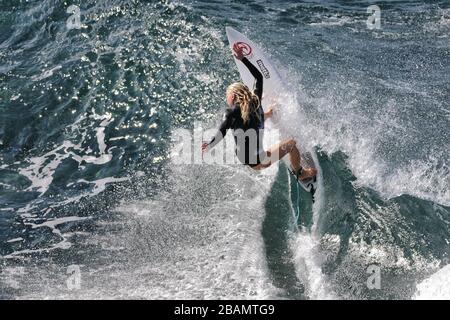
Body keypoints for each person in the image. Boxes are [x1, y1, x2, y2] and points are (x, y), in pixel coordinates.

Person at [201, 43, 317, 181]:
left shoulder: (232, 112)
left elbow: (222, 131)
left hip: (248, 159)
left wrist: (210, 145)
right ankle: (301, 173)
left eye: (227, 96)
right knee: (292, 143)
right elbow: (259, 77)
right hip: (260, 160)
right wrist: (243, 58)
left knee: (256, 119)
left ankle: (268, 114)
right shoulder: (255, 101)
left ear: (232, 96)